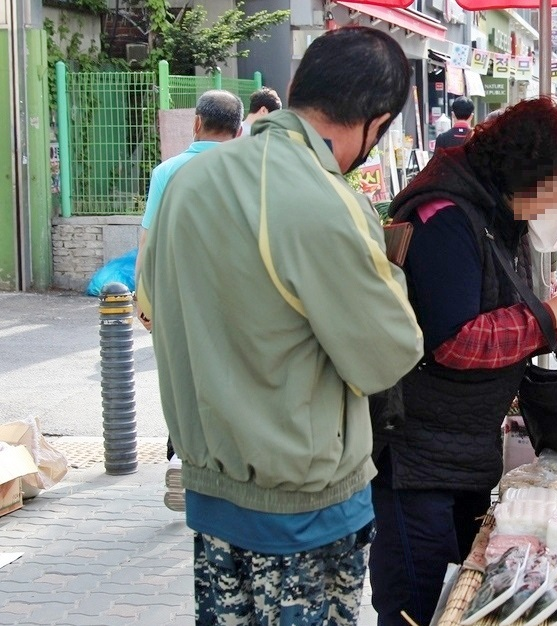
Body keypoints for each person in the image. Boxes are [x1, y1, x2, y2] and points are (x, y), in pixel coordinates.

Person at [136, 26, 424, 625]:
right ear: (377, 120)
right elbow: (388, 354)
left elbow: (155, 308)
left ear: (296, 88)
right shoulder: (324, 198)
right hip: (303, 511)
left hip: (212, 493)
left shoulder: (185, 183)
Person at [368, 97, 557, 626]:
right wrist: (551, 313)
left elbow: (506, 320)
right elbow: (455, 342)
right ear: (528, 174)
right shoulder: (446, 220)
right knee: (419, 608)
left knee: (463, 598)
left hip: (463, 447)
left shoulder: (495, 216)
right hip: (415, 458)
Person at [133, 89, 243, 512]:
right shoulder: (244, 171)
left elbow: (149, 240)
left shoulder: (167, 172)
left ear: (196, 123)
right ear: (237, 132)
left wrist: (143, 299)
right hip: (231, 297)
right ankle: (224, 466)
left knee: (182, 378)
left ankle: (185, 456)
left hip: (175, 295)